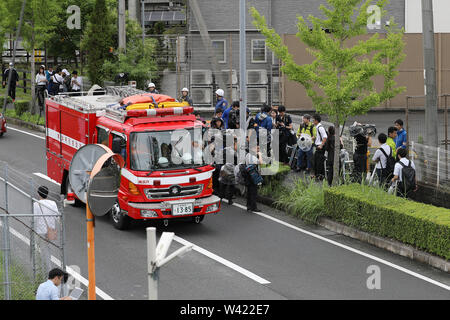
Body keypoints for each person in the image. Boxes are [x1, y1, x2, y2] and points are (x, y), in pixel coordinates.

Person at [33, 186, 60, 275]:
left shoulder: (36, 204)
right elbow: (57, 216)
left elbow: (35, 218)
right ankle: (48, 269)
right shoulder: (53, 203)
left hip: (40, 230)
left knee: (42, 250)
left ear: (38, 193)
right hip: (50, 230)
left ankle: (46, 271)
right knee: (48, 249)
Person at [245, 145, 263, 212]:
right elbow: (261, 163)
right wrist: (260, 155)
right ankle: (253, 207)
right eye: (257, 148)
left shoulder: (247, 155)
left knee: (249, 191)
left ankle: (248, 206)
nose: (258, 149)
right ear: (252, 148)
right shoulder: (253, 156)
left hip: (248, 174)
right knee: (253, 192)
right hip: (253, 175)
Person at [312, 114, 328, 180]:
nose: (312, 121)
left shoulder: (320, 127)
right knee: (316, 161)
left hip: (320, 147)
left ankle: (320, 176)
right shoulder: (316, 127)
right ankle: (317, 175)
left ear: (316, 120)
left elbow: (325, 137)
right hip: (317, 146)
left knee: (319, 162)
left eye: (313, 120)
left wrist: (321, 145)